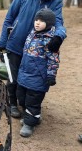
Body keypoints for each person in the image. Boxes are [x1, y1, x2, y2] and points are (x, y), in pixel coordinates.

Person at [0, 0, 66, 119]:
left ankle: (27, 104)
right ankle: (12, 103)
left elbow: (58, 22)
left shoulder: (56, 2)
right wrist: (2, 42)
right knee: (13, 77)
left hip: (37, 48)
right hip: (16, 43)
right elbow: (9, 19)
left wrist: (59, 36)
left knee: (29, 77)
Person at [16, 8, 60, 137]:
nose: (37, 23)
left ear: (49, 23)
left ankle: (29, 124)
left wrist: (51, 75)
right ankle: (33, 117)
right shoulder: (32, 33)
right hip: (24, 73)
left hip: (38, 77)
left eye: (41, 21)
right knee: (22, 97)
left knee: (33, 100)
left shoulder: (50, 40)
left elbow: (54, 59)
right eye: (36, 20)